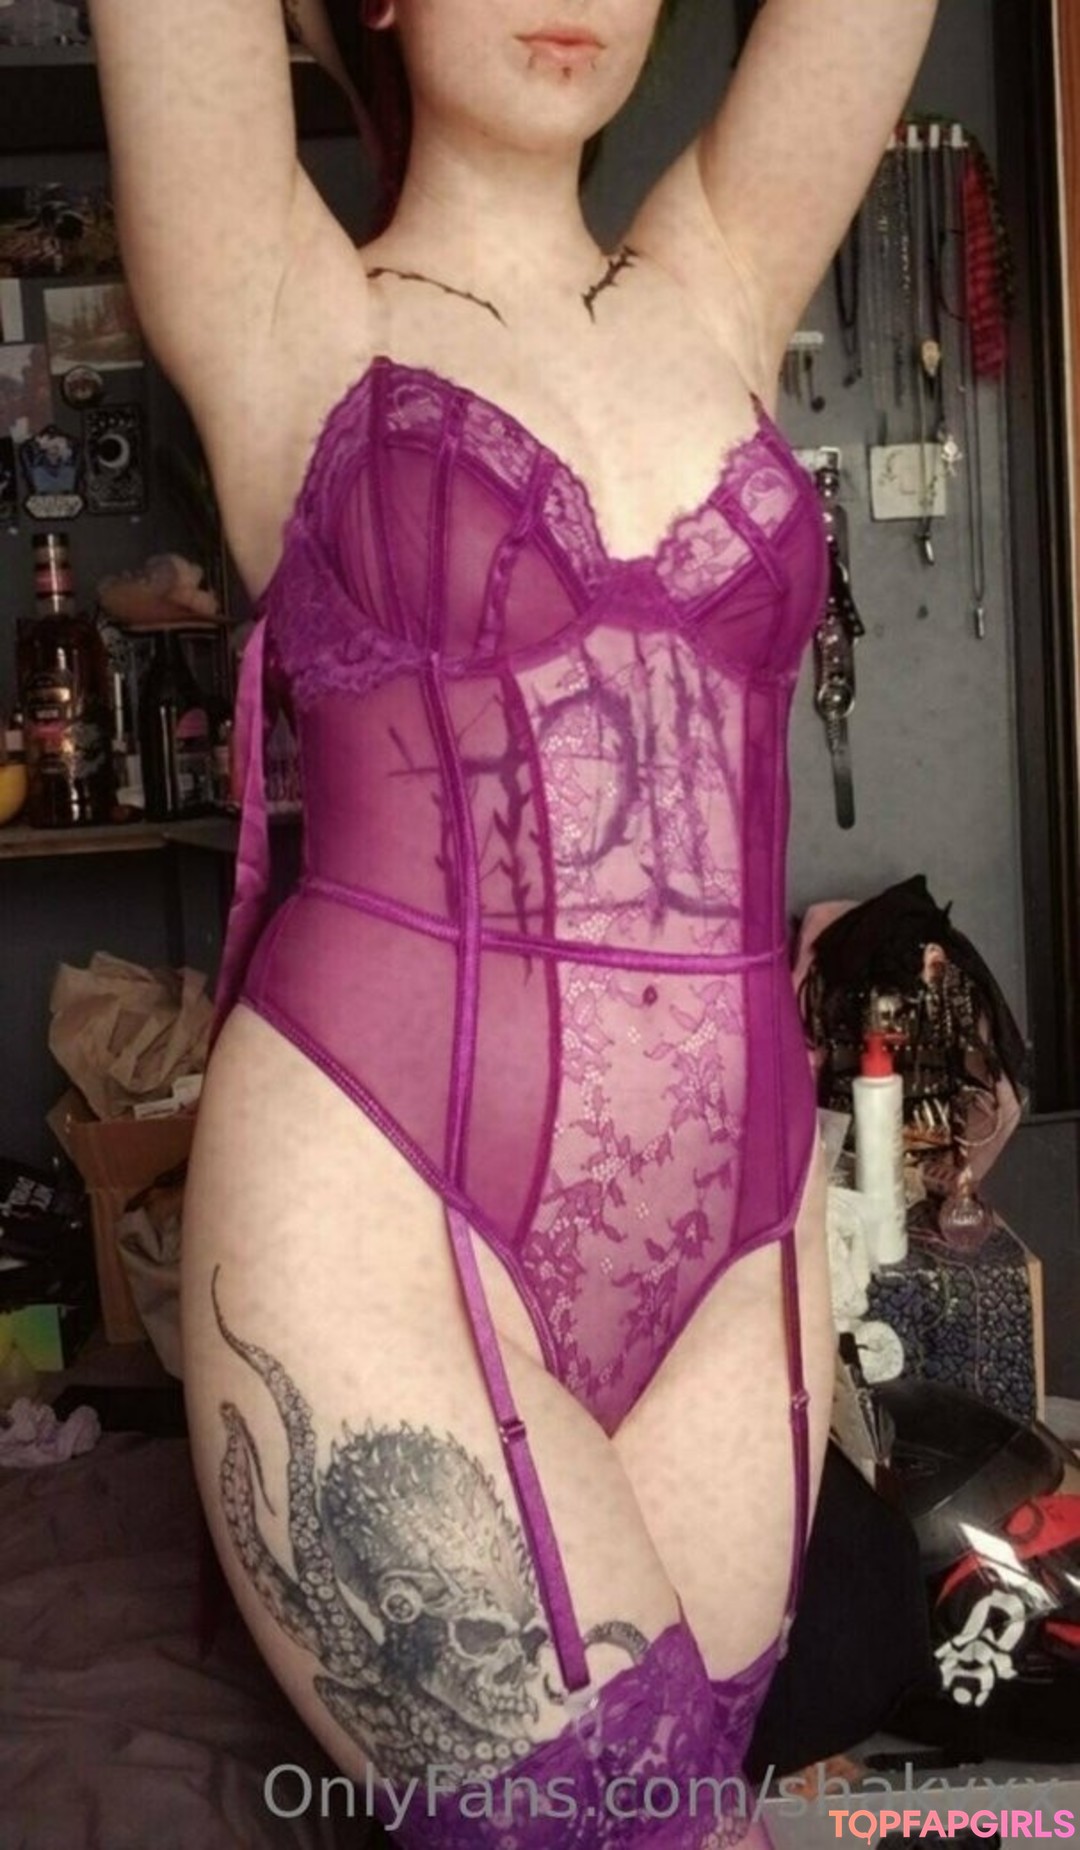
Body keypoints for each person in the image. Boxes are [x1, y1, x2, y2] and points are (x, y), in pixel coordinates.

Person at [89, 2, 938, 1843]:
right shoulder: (282, 302)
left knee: (688, 1804)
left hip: (734, 1250)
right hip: (381, 1205)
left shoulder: (726, 269)